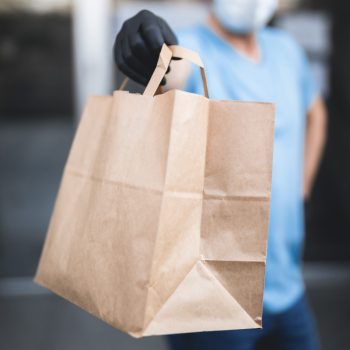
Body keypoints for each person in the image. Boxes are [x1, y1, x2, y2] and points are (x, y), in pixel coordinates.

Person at [113, 0, 327, 349]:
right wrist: (150, 45)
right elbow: (170, 72)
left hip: (287, 286)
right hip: (210, 299)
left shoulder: (286, 50)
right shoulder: (192, 49)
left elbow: (315, 113)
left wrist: (300, 186)